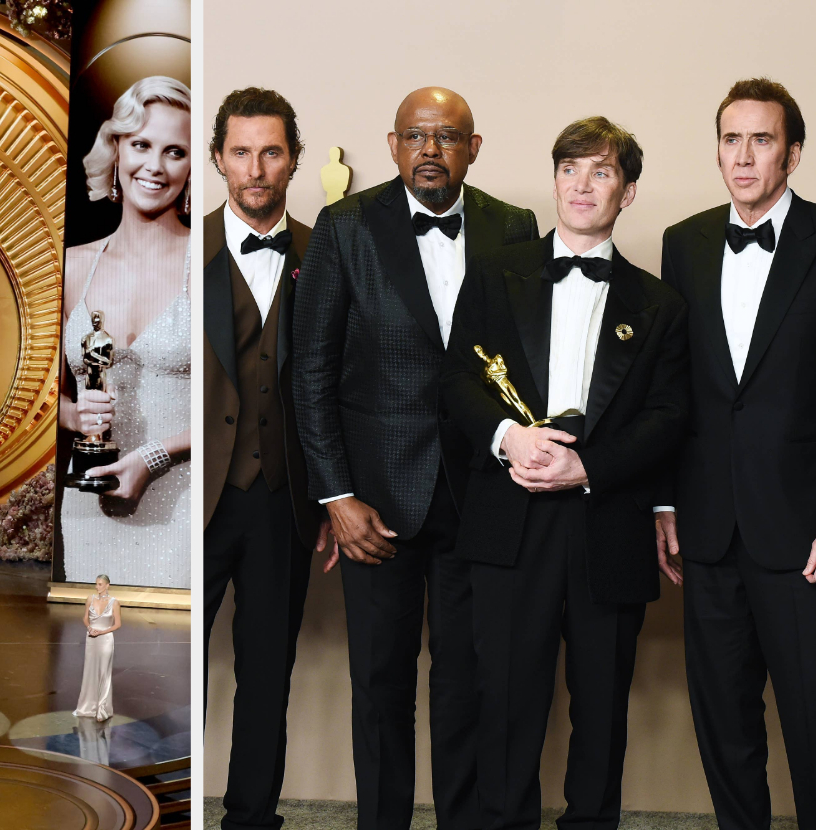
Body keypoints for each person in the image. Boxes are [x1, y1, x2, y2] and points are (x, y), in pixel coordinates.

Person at [292, 87, 538, 830]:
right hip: (376, 504)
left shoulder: (513, 226)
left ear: (474, 147)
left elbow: (522, 363)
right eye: (416, 136)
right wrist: (336, 496)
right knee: (380, 686)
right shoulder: (346, 226)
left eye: (448, 136)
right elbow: (312, 373)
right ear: (395, 146)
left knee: (470, 686)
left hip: (479, 495)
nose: (431, 149)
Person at [440, 117, 688, 830]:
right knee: (506, 705)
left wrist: (588, 465)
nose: (583, 185)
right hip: (507, 518)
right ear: (555, 180)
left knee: (603, 708)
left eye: (602, 172)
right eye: (571, 169)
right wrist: (507, 436)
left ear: (628, 191)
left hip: (604, 522)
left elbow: (669, 417)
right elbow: (456, 377)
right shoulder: (494, 274)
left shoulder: (661, 305)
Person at [658, 78, 816, 830]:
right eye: (732, 138)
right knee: (724, 729)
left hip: (802, 531)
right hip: (709, 528)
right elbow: (673, 387)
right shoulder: (685, 243)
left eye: (762, 140)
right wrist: (666, 501)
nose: (744, 155)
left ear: (792, 152)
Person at [202, 86, 323, 830]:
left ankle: (252, 819)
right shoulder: (185, 246)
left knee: (267, 673)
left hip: (284, 495)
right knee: (169, 662)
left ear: (294, 160)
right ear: (218, 157)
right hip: (195, 494)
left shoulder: (326, 253)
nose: (256, 168)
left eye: (271, 152)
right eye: (241, 151)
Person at [59, 76, 191, 588]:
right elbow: (38, 397)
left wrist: (154, 457)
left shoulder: (208, 263)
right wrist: (72, 414)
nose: (154, 166)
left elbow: (241, 402)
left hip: (182, 501)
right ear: (116, 148)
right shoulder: (71, 267)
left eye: (174, 151)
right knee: (93, 657)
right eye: (140, 144)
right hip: (88, 505)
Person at [74, 573, 121, 721]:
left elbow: (118, 624)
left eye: (100, 584)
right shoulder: (90, 598)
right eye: (96, 584)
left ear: (107, 585)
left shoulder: (114, 602)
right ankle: (88, 707)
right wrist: (90, 628)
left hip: (106, 639)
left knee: (104, 673)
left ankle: (103, 709)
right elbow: (85, 618)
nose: (97, 587)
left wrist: (102, 632)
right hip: (91, 639)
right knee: (90, 672)